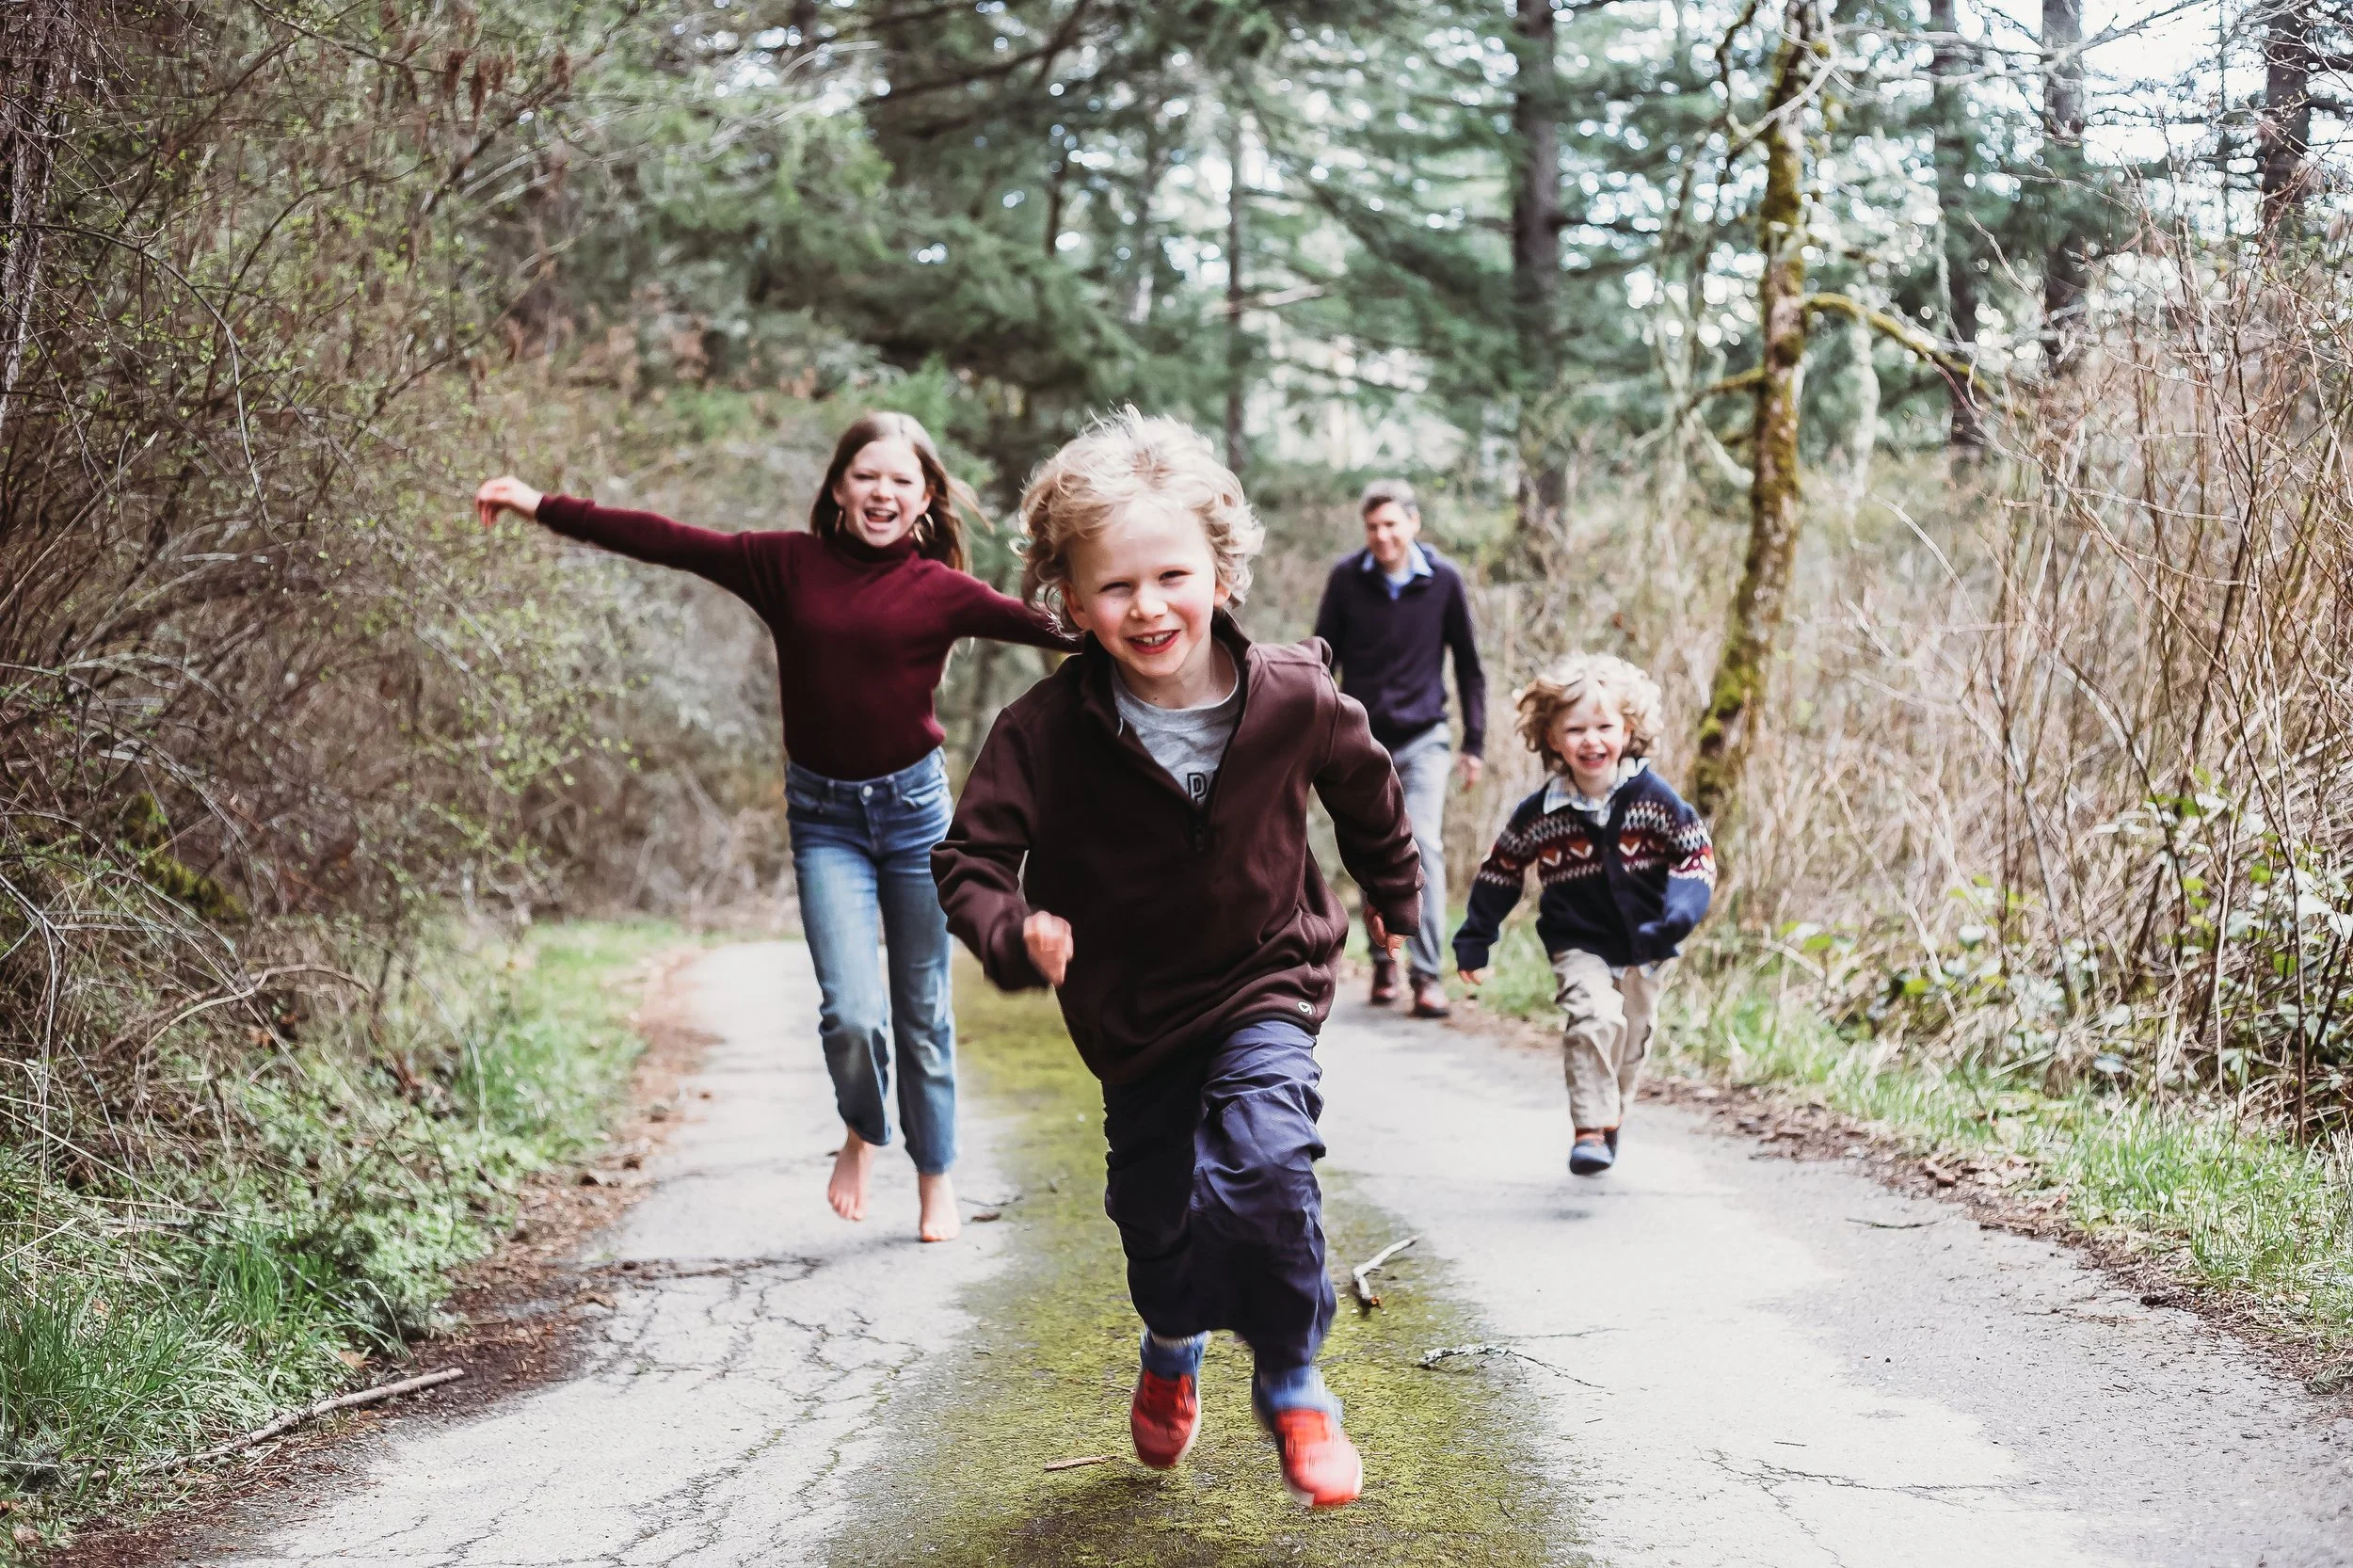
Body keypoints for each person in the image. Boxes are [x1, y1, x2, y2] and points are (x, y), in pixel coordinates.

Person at [933, 410, 1420, 1509]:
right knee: (1154, 1217)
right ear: (1066, 597)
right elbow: (968, 858)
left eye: (1171, 576)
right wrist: (1014, 933)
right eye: (1114, 587)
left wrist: (1393, 893)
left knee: (1266, 1162)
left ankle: (1295, 1377)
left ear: (1221, 569)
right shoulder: (1045, 731)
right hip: (1135, 1015)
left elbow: (1367, 784)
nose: (1147, 606)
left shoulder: (1292, 692)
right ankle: (1170, 1337)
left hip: (1267, 979)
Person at [472, 412, 1073, 1242]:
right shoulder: (783, 564)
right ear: (837, 487)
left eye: (902, 480)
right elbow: (666, 539)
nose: (883, 493)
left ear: (928, 499)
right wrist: (543, 505)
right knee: (850, 1015)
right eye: (868, 476)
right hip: (824, 817)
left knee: (922, 1009)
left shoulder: (942, 592)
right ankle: (864, 1128)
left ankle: (937, 1175)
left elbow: (1061, 632)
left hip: (914, 819)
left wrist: (1160, 617)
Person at [1452, 653, 1714, 1176]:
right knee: (1595, 1017)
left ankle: (1611, 1116)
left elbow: (1696, 855)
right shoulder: (1539, 815)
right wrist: (1476, 937)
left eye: (1604, 727)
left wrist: (1678, 915)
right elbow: (1501, 871)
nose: (1591, 740)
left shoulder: (1654, 801)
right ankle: (1589, 1127)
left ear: (1628, 729)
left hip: (1648, 942)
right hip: (1578, 942)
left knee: (1633, 1038)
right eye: (1575, 730)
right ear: (1552, 739)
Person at [1310, 479, 1485, 1019]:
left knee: (1423, 846)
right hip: (1361, 740)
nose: (1382, 536)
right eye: (1372, 527)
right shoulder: (1346, 580)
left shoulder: (1444, 582)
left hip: (1425, 737)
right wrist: (1315, 731)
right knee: (1370, 849)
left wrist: (1474, 743)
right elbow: (1320, 661)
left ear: (1414, 524)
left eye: (1391, 525)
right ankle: (1385, 957)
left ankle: (1426, 975)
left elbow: (1470, 666)